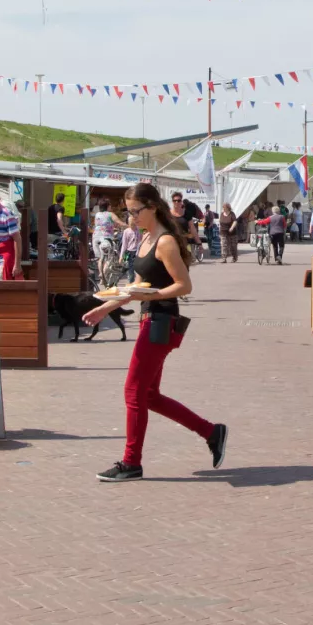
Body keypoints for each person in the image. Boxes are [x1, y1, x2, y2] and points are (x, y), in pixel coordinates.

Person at [86, 183, 226, 482]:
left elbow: (184, 286)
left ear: (152, 207)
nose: (131, 217)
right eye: (128, 212)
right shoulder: (146, 237)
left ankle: (131, 462)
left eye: (136, 211)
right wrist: (105, 308)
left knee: (134, 392)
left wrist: (147, 297)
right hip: (150, 319)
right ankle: (211, 431)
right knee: (148, 395)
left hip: (161, 321)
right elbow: (137, 286)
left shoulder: (164, 242)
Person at [90, 200, 123, 265]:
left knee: (100, 258)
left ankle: (100, 273)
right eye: (110, 205)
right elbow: (119, 222)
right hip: (106, 237)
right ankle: (104, 273)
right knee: (109, 257)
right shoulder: (110, 214)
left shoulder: (97, 214)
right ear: (108, 206)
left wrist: (112, 227)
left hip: (95, 237)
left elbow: (100, 225)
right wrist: (128, 226)